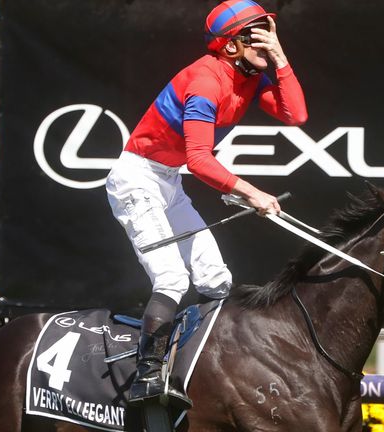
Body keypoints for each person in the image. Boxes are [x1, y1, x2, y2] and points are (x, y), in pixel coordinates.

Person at [105, 0, 307, 409]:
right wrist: (251, 193)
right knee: (173, 279)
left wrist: (280, 57)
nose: (264, 41)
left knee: (217, 279)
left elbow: (295, 114)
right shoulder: (206, 81)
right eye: (256, 34)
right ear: (231, 45)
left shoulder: (249, 75)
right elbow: (199, 160)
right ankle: (147, 378)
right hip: (137, 178)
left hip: (167, 180)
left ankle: (209, 365)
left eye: (268, 32)